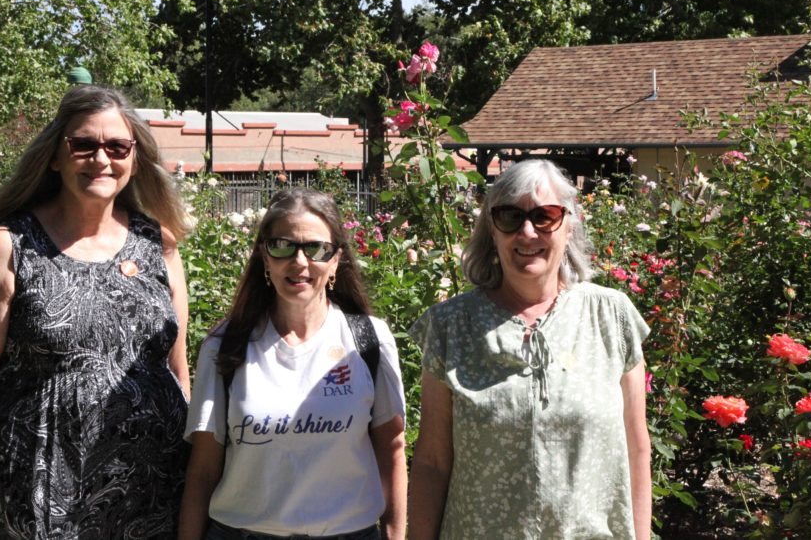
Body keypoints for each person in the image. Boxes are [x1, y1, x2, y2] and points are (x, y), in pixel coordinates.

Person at [0, 85, 193, 539]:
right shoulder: (9, 247)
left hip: (152, 500)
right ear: (55, 155)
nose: (100, 159)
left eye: (117, 146)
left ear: (133, 159)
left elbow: (177, 371)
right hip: (32, 502)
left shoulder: (159, 246)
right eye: (83, 145)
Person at [409, 159, 652, 539]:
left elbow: (637, 449)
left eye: (545, 216)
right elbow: (432, 462)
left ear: (569, 225)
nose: (527, 232)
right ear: (493, 229)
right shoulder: (450, 325)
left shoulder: (611, 316)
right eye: (510, 217)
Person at [179, 188, 407, 540]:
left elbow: (391, 452)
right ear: (264, 257)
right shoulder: (227, 345)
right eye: (283, 246)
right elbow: (204, 471)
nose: (299, 262)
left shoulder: (369, 341)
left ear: (335, 260)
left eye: (315, 248)